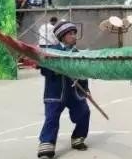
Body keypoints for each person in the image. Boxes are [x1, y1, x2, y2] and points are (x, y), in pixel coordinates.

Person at [37, 21, 90, 159]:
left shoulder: (77, 53)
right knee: (51, 118)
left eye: (74, 33)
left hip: (74, 92)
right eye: (70, 34)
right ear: (62, 36)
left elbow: (83, 72)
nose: (74, 36)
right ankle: (46, 147)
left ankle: (78, 138)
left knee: (84, 112)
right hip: (55, 92)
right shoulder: (50, 51)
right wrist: (55, 70)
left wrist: (85, 88)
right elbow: (44, 70)